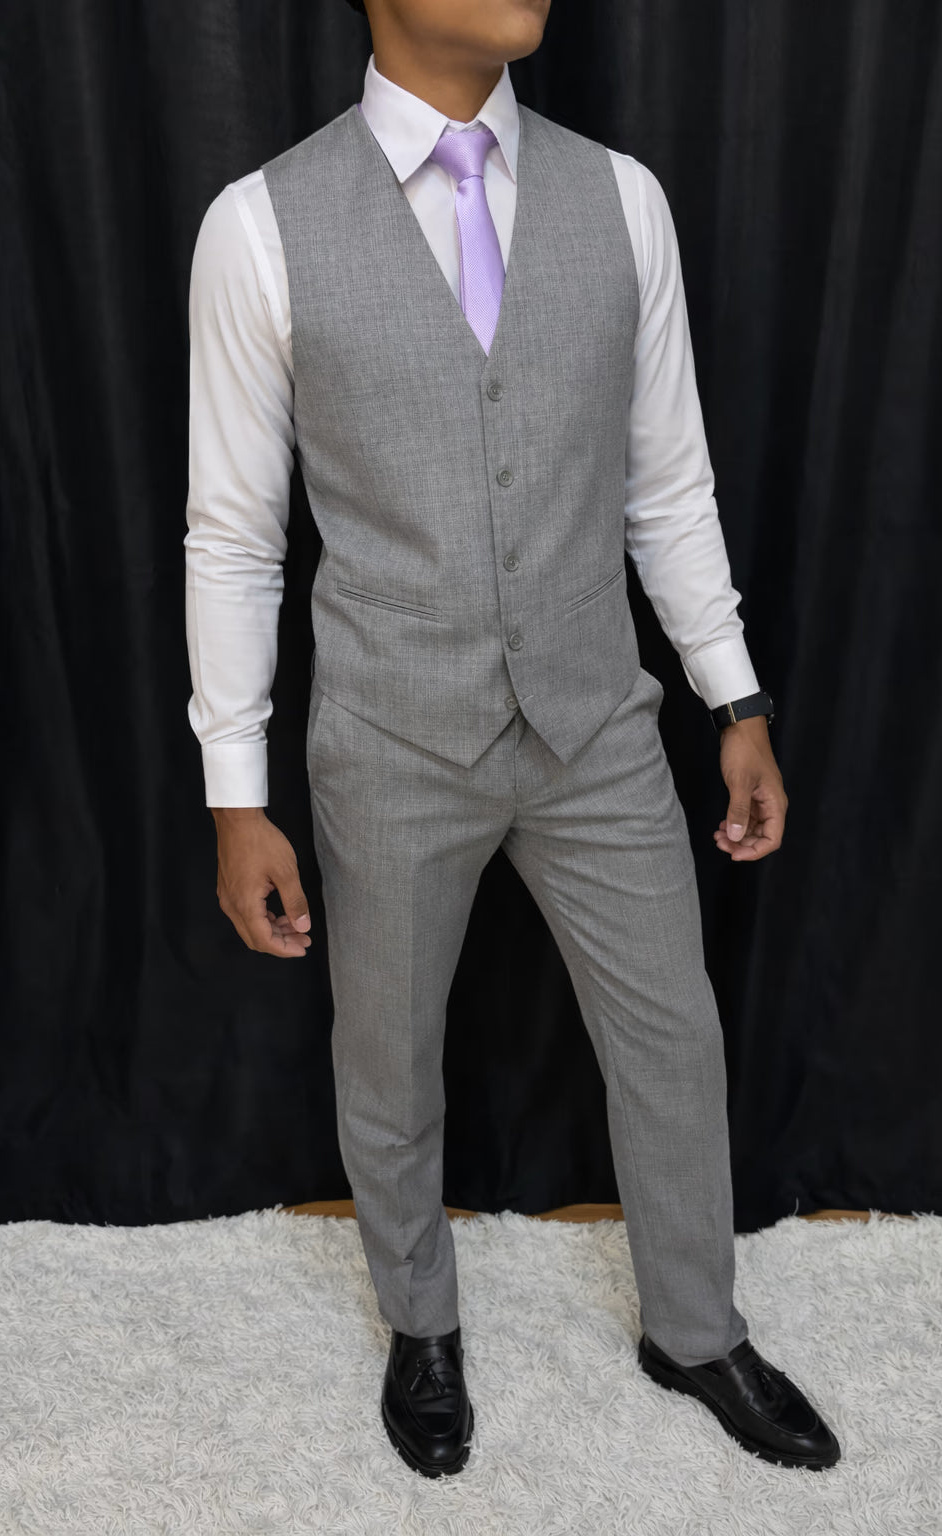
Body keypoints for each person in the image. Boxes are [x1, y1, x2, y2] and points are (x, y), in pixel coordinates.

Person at [184, 0, 840, 1481]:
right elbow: (232, 536)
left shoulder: (624, 200)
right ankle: (421, 1324)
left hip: (597, 717)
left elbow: (667, 485)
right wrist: (236, 792)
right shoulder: (262, 226)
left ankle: (695, 1329)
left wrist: (734, 700)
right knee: (388, 1059)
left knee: (673, 1034)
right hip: (389, 733)